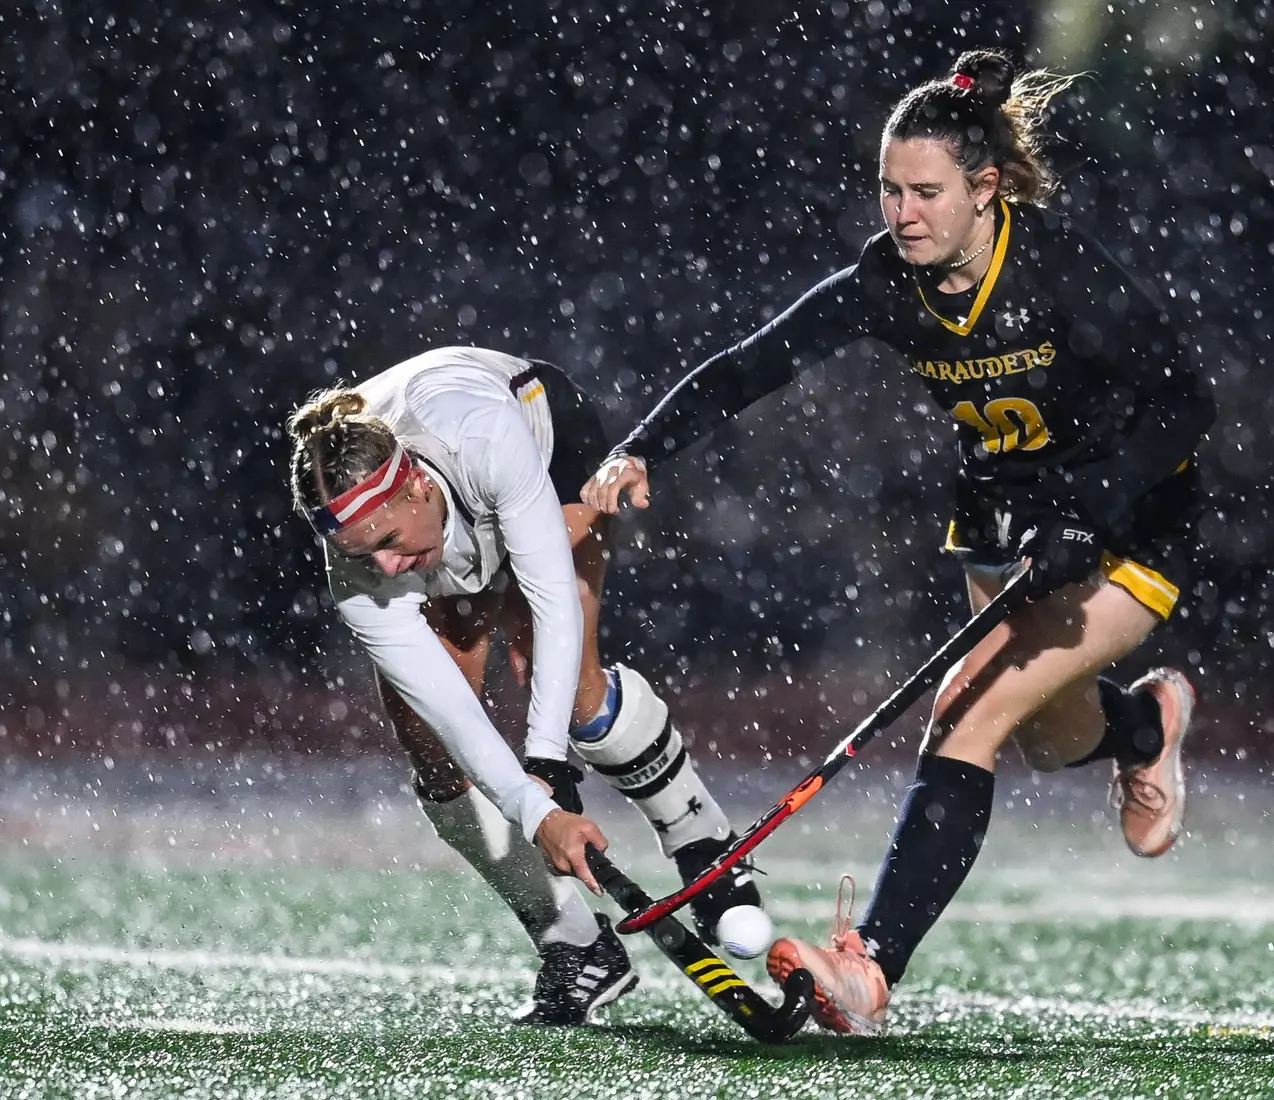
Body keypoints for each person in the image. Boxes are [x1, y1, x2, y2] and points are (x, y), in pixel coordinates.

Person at [581, 50, 1216, 1035]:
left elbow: (1184, 401)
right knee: (1046, 735)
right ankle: (1142, 728)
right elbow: (752, 364)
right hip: (1006, 516)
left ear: (985, 189)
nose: (903, 213)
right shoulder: (888, 283)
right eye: (891, 190)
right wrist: (639, 447)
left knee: (965, 713)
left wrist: (1091, 508)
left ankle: (869, 967)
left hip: (1130, 518)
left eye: (927, 193)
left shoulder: (1057, 270)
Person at [285, 346, 767, 1027]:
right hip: (460, 504)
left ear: (416, 485)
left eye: (389, 539)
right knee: (428, 743)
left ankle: (702, 841)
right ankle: (573, 941)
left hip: (549, 442)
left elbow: (552, 602)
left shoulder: (482, 436)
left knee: (563, 683)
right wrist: (540, 813)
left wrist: (544, 763)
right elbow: (452, 713)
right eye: (364, 554)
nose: (387, 567)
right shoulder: (360, 570)